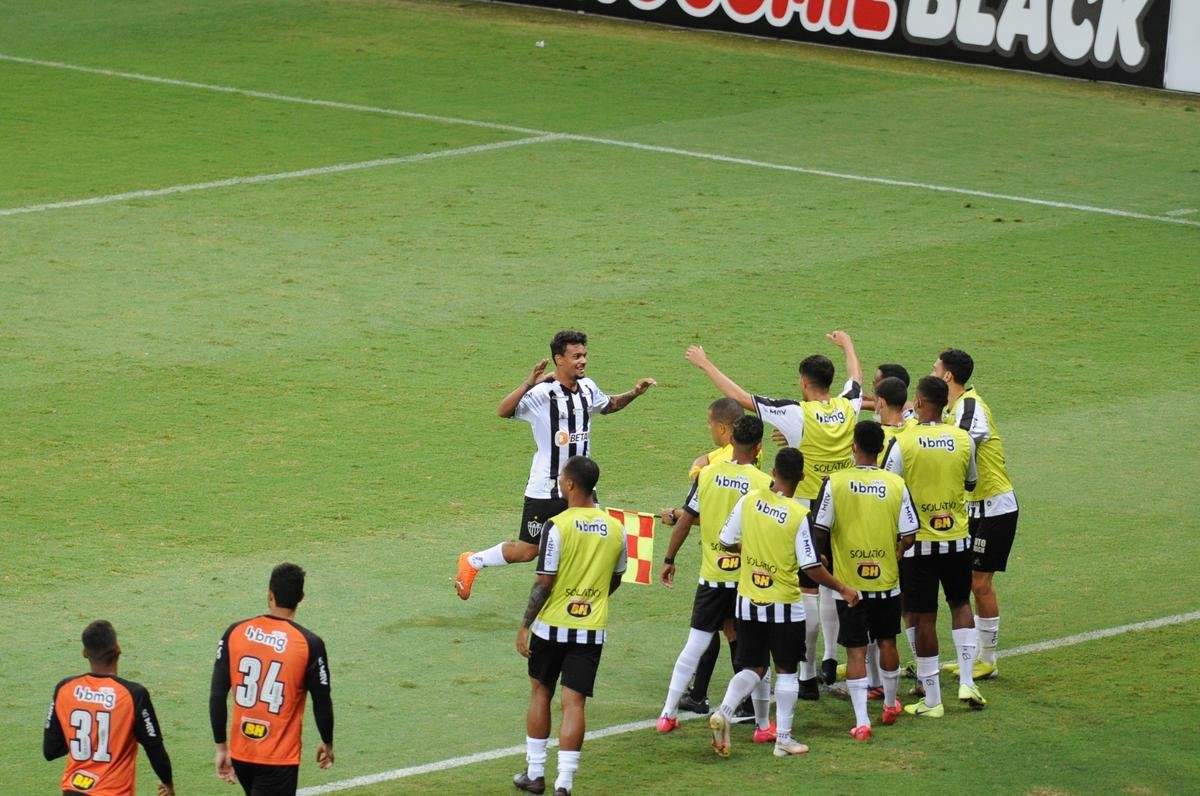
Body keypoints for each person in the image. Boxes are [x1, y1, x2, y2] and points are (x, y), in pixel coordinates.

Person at [685, 332, 862, 697]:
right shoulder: (848, 407)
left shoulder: (798, 413)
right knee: (833, 581)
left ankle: (808, 675)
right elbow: (856, 381)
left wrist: (705, 364)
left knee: (809, 588)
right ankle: (831, 660)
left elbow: (740, 399)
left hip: (807, 510)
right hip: (844, 505)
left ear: (803, 381)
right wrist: (848, 346)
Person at [456, 330, 655, 599]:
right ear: (559, 359)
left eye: (584, 355)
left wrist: (635, 392)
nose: (582, 361)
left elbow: (608, 405)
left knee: (589, 538)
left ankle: (574, 596)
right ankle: (473, 561)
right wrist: (528, 383)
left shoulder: (588, 387)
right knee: (528, 551)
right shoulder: (542, 394)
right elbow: (503, 410)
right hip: (546, 487)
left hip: (582, 486)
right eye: (576, 356)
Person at [707, 447, 860, 758]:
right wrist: (843, 588)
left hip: (748, 600)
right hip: (784, 604)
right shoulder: (798, 514)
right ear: (802, 477)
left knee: (754, 666)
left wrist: (749, 551)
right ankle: (784, 740)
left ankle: (724, 710)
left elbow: (724, 540)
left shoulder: (749, 501)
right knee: (787, 669)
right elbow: (810, 568)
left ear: (774, 472)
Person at [513, 456, 627, 796]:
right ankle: (565, 782)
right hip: (591, 627)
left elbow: (544, 580)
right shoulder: (616, 527)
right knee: (574, 702)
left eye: (563, 479)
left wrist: (524, 625)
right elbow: (616, 577)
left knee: (541, 691)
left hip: (552, 626)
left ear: (572, 484)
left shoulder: (557, 526)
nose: (560, 483)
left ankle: (535, 774)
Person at [656, 416, 774, 741]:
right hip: (748, 581)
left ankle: (667, 714)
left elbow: (685, 519)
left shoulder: (707, 475)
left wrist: (669, 559)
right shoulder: (764, 483)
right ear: (760, 446)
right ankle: (761, 722)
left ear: (730, 441)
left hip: (712, 576)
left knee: (695, 643)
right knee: (755, 649)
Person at [882, 377, 983, 716]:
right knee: (960, 603)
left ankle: (933, 699)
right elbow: (971, 481)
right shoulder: (963, 438)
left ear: (921, 402)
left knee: (923, 616)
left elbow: (890, 487)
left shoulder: (904, 442)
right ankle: (968, 681)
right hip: (957, 538)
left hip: (919, 543)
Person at [812, 421, 920, 739]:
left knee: (856, 651)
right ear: (881, 449)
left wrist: (823, 557)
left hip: (850, 586)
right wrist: (898, 551)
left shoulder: (835, 482)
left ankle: (862, 721)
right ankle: (889, 705)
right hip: (886, 580)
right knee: (888, 641)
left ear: (854, 447)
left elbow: (820, 527)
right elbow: (910, 534)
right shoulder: (896, 484)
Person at [211, 563, 333, 795]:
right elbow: (322, 699)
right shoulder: (308, 643)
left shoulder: (235, 632)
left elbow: (217, 694)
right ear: (301, 597)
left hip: (241, 752)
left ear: (270, 594)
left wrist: (221, 747)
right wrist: (327, 741)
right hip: (278, 758)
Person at [935, 349, 1018, 681]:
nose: (933, 370)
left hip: (996, 507)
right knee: (968, 581)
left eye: (935, 367)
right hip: (972, 508)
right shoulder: (953, 408)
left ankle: (988, 659)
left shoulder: (971, 406)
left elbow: (962, 443)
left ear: (948, 376)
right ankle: (975, 658)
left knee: (979, 582)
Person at [44, 620, 175, 796]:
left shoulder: (64, 688)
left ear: (85, 653)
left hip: (73, 790)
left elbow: (50, 750)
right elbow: (154, 747)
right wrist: (168, 783)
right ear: (118, 649)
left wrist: (86, 743)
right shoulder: (133, 694)